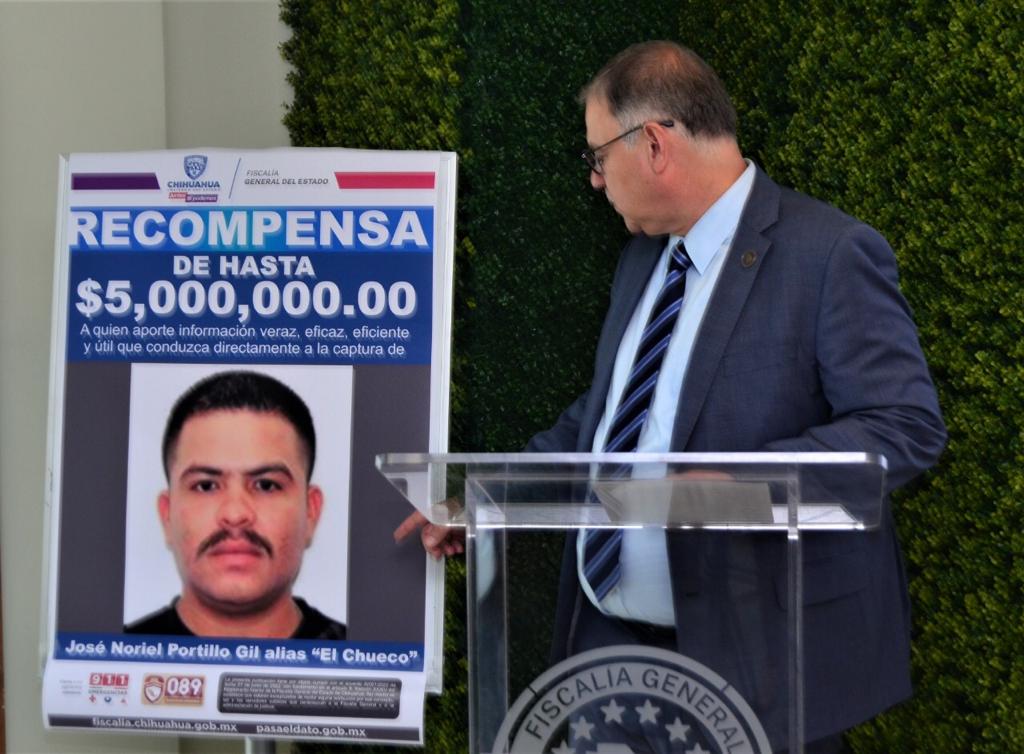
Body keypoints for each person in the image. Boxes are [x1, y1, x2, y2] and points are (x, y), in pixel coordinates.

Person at [397, 41, 945, 750]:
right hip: (606, 653)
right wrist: (486, 494)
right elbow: (608, 415)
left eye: (598, 156)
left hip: (753, 660)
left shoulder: (830, 254)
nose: (595, 179)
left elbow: (904, 426)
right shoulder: (644, 257)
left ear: (654, 143)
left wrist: (744, 488)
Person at [126, 370, 346, 640]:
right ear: (166, 515)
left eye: (266, 485)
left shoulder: (373, 654)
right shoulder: (103, 655)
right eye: (206, 486)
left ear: (311, 511)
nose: (235, 514)